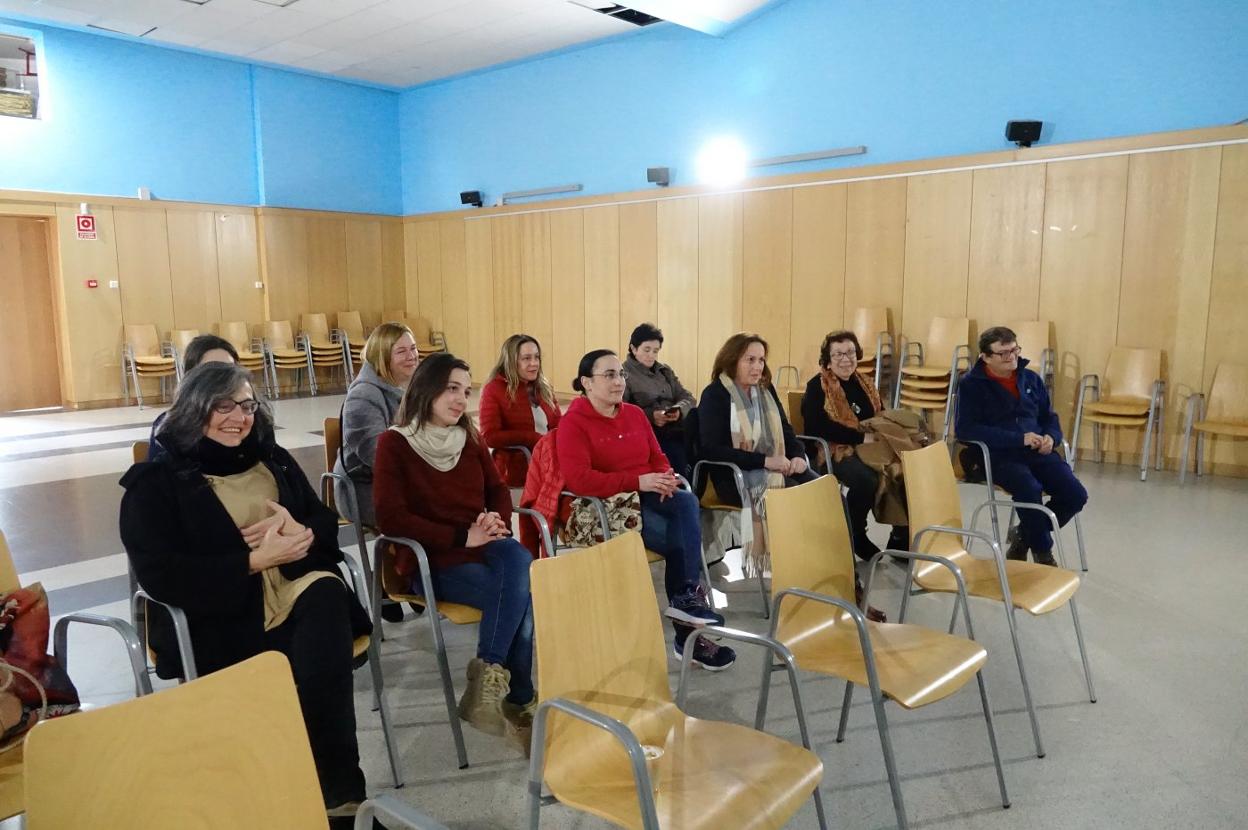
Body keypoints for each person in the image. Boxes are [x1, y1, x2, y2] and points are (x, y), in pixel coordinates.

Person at [120, 363, 372, 823]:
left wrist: (304, 532)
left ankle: (341, 796)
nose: (239, 417)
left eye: (247, 405)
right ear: (195, 409)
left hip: (292, 595)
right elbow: (160, 573)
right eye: (224, 405)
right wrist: (251, 562)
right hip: (218, 611)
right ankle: (304, 789)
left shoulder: (272, 460)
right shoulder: (157, 482)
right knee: (316, 670)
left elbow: (323, 523)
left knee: (327, 595)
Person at [372, 353, 537, 752]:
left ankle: (488, 679)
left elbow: (498, 490)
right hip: (433, 557)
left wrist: (497, 522)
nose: (461, 399)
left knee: (518, 558)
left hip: (484, 546)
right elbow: (391, 518)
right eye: (451, 389)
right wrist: (462, 537)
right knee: (522, 600)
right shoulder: (395, 443)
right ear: (426, 388)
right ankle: (520, 703)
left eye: (466, 391)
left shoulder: (470, 438)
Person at [557, 349, 734, 671]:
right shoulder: (573, 423)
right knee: (680, 541)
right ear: (586, 383)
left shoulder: (635, 414)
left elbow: (658, 456)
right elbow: (580, 480)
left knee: (684, 499)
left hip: (647, 493)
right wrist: (638, 481)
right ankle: (688, 630)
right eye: (608, 375)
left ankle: (685, 604)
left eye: (620, 374)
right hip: (606, 505)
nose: (618, 381)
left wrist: (664, 478)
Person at [955, 326, 1088, 567]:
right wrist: (1018, 438)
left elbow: (1049, 417)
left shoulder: (1031, 378)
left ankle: (1024, 536)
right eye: (1003, 353)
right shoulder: (971, 385)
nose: (1012, 357)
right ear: (985, 357)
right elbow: (965, 430)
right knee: (1029, 488)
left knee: (1075, 494)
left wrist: (1051, 437)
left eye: (1014, 350)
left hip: (1037, 452)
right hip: (998, 455)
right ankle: (1042, 551)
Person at [697, 333, 817, 574]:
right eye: (749, 360)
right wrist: (764, 461)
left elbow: (785, 427)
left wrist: (797, 455)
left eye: (761, 360)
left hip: (776, 467)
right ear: (732, 361)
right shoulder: (715, 394)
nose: (757, 366)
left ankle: (843, 574)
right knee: (799, 502)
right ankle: (796, 571)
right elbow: (712, 449)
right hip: (732, 477)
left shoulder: (765, 389)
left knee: (827, 493)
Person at [333, 321, 420, 624]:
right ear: (383, 357)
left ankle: (412, 577)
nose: (412, 356)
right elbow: (376, 456)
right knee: (425, 511)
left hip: (399, 481)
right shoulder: (364, 396)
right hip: (361, 487)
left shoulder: (406, 387)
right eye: (402, 352)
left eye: (413, 348)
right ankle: (400, 580)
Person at [801, 330, 909, 559]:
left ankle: (900, 536)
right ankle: (855, 534)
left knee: (902, 469)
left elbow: (878, 416)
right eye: (838, 354)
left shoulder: (865, 382)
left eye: (850, 352)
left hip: (869, 446)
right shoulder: (816, 387)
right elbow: (816, 428)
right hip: (832, 449)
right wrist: (860, 438)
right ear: (828, 360)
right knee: (867, 479)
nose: (845, 359)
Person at [479, 333, 562, 487]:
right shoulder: (494, 389)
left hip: (551, 464)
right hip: (515, 469)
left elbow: (559, 424)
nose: (534, 363)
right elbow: (489, 437)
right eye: (526, 358)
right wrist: (532, 438)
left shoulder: (544, 387)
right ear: (511, 361)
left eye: (537, 357)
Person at [145, 333, 239, 461]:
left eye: (229, 370)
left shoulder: (251, 418)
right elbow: (160, 476)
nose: (221, 378)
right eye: (210, 370)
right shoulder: (168, 426)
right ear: (191, 377)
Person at [622, 322, 696, 478]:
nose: (652, 355)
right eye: (646, 350)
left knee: (700, 429)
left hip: (676, 426)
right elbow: (621, 411)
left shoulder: (664, 371)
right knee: (677, 454)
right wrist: (651, 416)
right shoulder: (624, 374)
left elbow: (688, 397)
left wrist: (678, 410)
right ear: (634, 349)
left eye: (656, 351)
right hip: (651, 433)